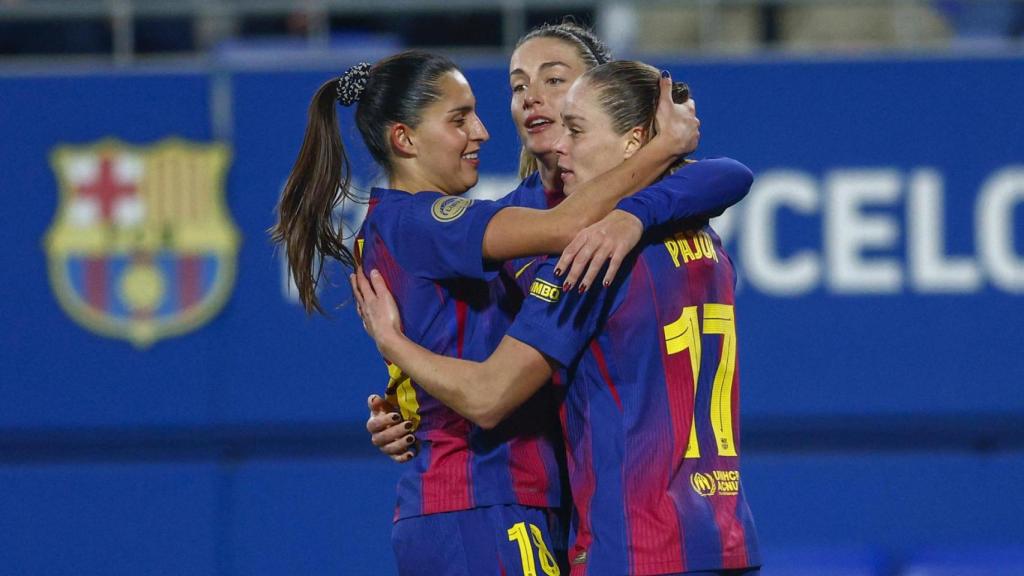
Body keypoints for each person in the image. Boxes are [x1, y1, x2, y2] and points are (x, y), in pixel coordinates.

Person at [272, 47, 746, 575]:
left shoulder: (588, 229)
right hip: (492, 500)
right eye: (517, 86)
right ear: (404, 139)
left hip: (552, 508)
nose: (486, 129)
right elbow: (492, 389)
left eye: (559, 84)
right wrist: (665, 152)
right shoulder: (494, 227)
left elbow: (726, 174)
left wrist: (408, 383)